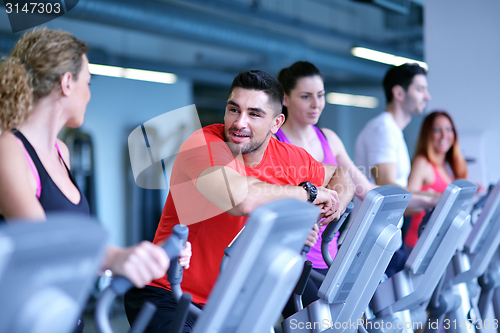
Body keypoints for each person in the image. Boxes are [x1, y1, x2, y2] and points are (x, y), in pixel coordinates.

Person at [124, 69, 355, 332]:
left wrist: (320, 213)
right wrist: (309, 194)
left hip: (231, 303)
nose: (239, 123)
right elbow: (241, 198)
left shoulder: (290, 158)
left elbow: (341, 174)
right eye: (234, 110)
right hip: (170, 294)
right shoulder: (204, 145)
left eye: (254, 114)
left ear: (276, 123)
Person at [0, 28, 191, 332]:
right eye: (87, 83)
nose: (89, 94)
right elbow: (43, 243)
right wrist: (115, 256)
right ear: (67, 83)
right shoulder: (9, 148)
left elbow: (74, 249)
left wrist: (149, 258)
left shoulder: (60, 152)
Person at [275, 61, 376, 317]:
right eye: (306, 96)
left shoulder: (328, 138)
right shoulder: (275, 143)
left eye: (320, 95)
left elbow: (363, 187)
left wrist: (405, 202)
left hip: (330, 258)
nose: (316, 104)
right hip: (295, 260)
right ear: (285, 98)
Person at [355, 63, 437, 276]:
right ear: (399, 93)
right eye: (420, 89)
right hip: (372, 242)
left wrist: (434, 200)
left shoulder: (394, 131)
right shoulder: (383, 129)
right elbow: (389, 190)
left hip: (388, 239)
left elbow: (401, 202)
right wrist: (431, 197)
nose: (426, 96)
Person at [404, 111, 468, 248]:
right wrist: (430, 199)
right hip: (418, 244)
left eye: (448, 129)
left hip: (436, 244)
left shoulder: (446, 167)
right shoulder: (423, 162)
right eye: (437, 130)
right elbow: (406, 206)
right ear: (428, 134)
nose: (444, 135)